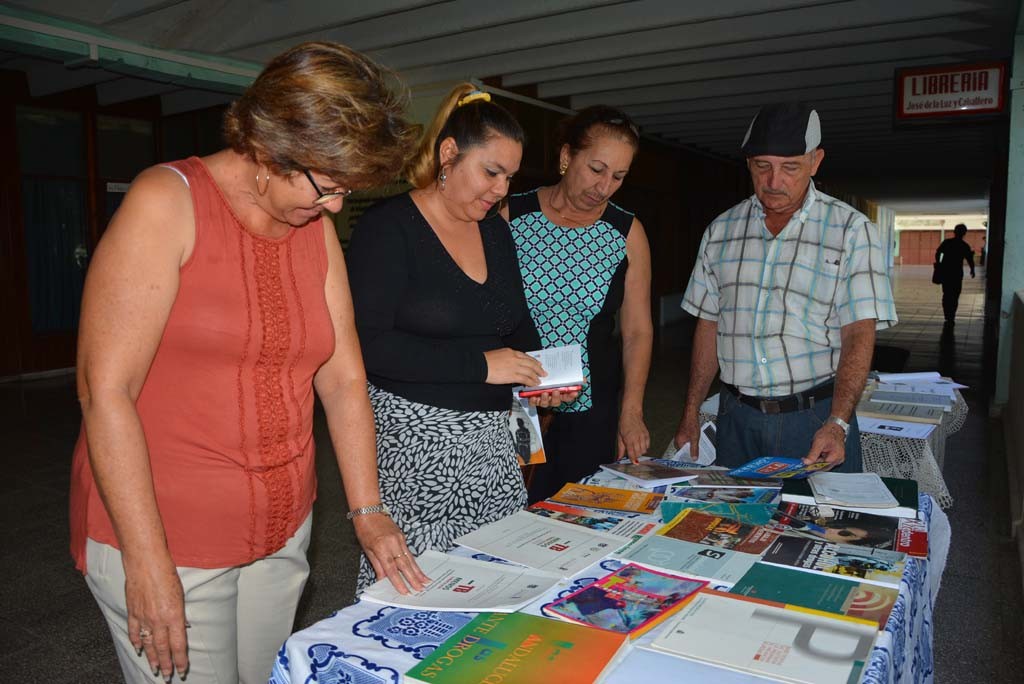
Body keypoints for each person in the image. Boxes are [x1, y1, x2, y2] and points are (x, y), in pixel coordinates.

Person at [68, 42, 428, 684]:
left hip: (282, 530)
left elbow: (342, 378)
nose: (337, 207)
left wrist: (368, 511)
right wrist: (147, 564)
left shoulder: (310, 224)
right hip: (170, 536)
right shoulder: (166, 201)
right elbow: (106, 391)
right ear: (268, 146)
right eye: (328, 186)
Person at [346, 84, 572, 592]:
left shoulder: (495, 232)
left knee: (496, 588)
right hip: (416, 451)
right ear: (449, 154)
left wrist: (545, 377)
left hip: (493, 450)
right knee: (416, 595)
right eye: (491, 172)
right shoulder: (389, 229)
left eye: (510, 177)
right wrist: (481, 366)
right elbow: (367, 345)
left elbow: (517, 327)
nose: (500, 190)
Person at [673, 102, 897, 473]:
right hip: (736, 418)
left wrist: (838, 422)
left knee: (821, 527)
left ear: (816, 161)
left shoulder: (851, 232)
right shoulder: (720, 232)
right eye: (763, 166)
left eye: (790, 167)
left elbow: (859, 333)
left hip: (813, 421)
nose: (774, 181)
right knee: (735, 525)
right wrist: (690, 411)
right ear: (748, 164)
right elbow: (709, 325)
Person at [505, 105, 654, 503]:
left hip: (591, 407)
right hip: (515, 402)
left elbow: (637, 331)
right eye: (596, 169)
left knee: (579, 512)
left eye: (618, 176)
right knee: (514, 506)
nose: (604, 186)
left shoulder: (626, 232)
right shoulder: (510, 215)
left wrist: (632, 410)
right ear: (567, 156)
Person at [934, 223, 976, 323]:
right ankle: (951, 314)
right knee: (955, 294)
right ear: (964, 233)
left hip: (946, 272)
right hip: (957, 273)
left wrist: (940, 262)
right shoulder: (964, 245)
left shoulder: (947, 242)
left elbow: (938, 253)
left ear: (954, 232)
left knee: (946, 293)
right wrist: (972, 269)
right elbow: (970, 259)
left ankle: (947, 314)